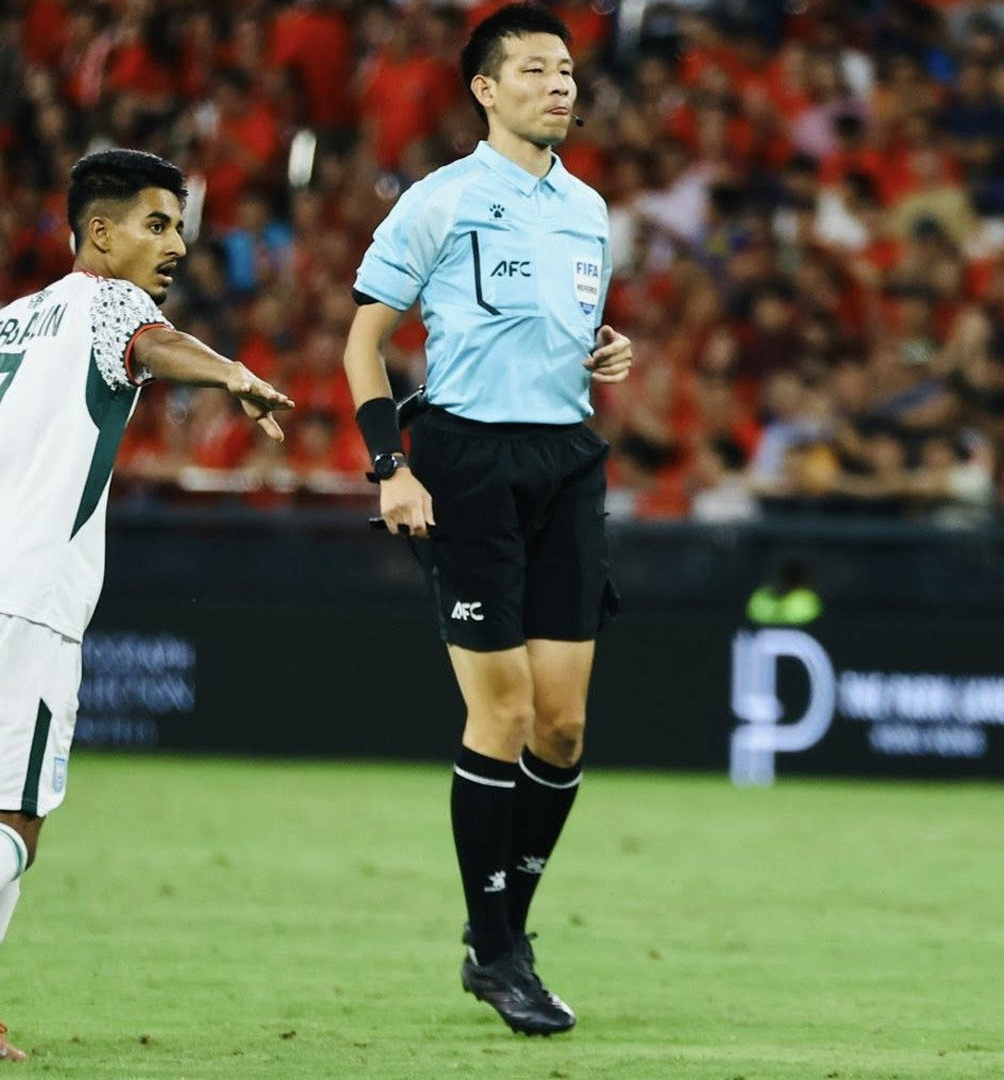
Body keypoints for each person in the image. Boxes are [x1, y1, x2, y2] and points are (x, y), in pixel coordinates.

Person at [0, 149, 292, 1070]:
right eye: (157, 224)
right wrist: (230, 372)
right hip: (26, 597)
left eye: (180, 227)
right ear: (98, 233)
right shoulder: (107, 302)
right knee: (16, 829)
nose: (176, 245)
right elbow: (151, 344)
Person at [341, 2, 633, 1038]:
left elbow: (563, 326)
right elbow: (364, 344)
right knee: (501, 715)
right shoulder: (439, 201)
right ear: (486, 89)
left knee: (563, 725)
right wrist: (392, 468)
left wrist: (603, 348)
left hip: (566, 459)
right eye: (536, 70)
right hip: (466, 460)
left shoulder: (589, 209)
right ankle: (500, 951)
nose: (559, 85)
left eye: (567, 71)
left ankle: (498, 929)